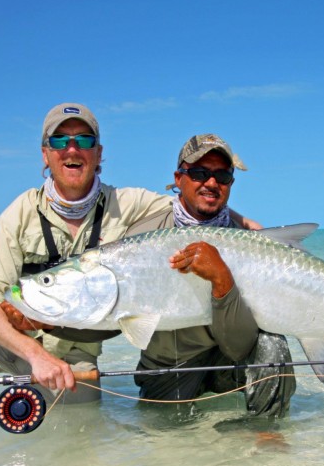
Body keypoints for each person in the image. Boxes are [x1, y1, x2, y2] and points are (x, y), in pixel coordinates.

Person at [0, 103, 259, 440]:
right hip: (8, 334)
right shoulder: (19, 212)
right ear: (45, 154)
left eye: (84, 141)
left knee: (77, 445)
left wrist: (245, 227)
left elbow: (195, 201)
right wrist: (34, 354)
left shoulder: (129, 204)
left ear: (98, 153)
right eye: (60, 141)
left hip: (72, 357)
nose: (73, 149)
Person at [125, 134, 296, 417]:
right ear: (178, 179)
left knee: (272, 344)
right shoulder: (141, 237)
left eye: (223, 175)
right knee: (162, 439)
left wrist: (222, 280)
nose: (212, 183)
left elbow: (241, 343)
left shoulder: (249, 240)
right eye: (200, 173)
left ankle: (267, 441)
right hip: (170, 366)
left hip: (228, 356)